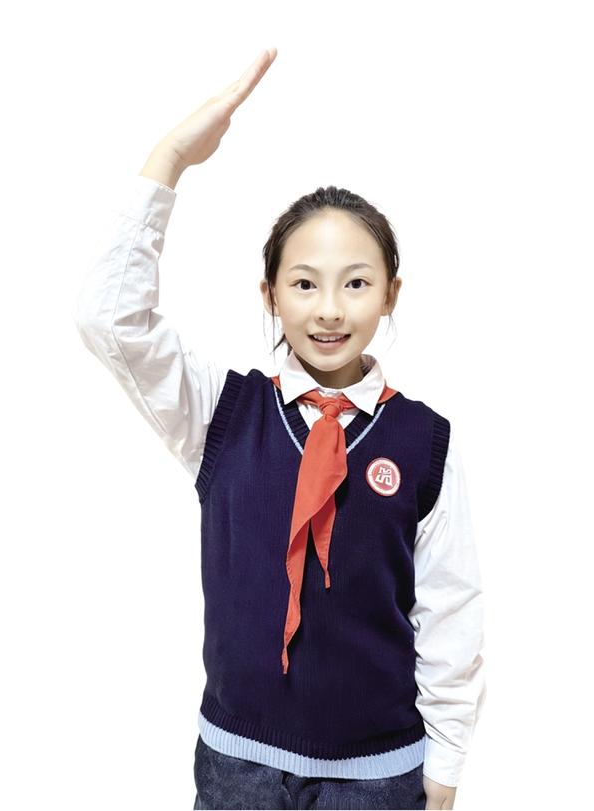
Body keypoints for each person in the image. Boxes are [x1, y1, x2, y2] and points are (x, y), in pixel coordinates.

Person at [75, 47, 486, 811]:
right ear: (269, 294)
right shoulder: (222, 413)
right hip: (238, 765)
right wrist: (170, 159)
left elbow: (450, 613)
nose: (329, 309)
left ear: (391, 293)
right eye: (304, 283)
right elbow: (109, 318)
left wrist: (447, 767)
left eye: (355, 283)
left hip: (378, 774)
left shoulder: (424, 442)